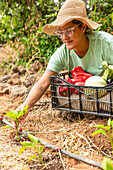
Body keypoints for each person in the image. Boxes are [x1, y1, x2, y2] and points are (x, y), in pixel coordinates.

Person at [16, 0, 113, 125]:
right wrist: (25, 106)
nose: (64, 37)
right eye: (60, 32)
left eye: (69, 31)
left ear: (83, 27)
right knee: (62, 96)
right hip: (88, 95)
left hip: (107, 91)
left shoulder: (106, 43)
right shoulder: (63, 53)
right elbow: (44, 81)